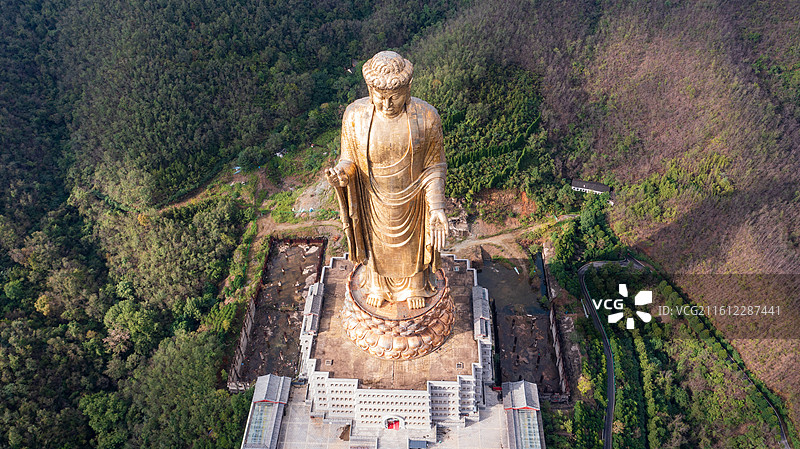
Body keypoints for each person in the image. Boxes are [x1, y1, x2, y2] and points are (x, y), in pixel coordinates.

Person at [327, 51, 449, 310]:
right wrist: (341, 173)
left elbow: (434, 167)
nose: (387, 104)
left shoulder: (426, 117)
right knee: (377, 248)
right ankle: (378, 285)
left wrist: (437, 207)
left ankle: (415, 285)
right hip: (373, 198)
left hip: (413, 200)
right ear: (370, 91)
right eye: (380, 97)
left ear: (408, 88)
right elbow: (349, 159)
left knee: (412, 248)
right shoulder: (354, 116)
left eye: (395, 97)